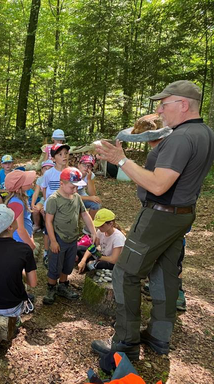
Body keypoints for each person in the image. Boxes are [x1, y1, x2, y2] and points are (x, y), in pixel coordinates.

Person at [92, 80, 214, 361]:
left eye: (164, 103)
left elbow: (159, 185)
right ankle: (159, 336)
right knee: (164, 273)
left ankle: (124, 343)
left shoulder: (182, 137)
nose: (159, 110)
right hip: (181, 215)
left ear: (183, 105)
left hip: (160, 215)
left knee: (125, 273)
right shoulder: (203, 132)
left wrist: (121, 160)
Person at [43, 167, 96, 305]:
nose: (75, 190)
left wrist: (93, 231)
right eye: (72, 187)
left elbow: (84, 214)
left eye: (77, 187)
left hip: (72, 238)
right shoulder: (54, 199)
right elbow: (48, 221)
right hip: (59, 238)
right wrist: (53, 241)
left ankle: (63, 285)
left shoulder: (77, 197)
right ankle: (51, 288)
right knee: (55, 265)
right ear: (62, 184)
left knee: (68, 264)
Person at [5, 170, 37, 250]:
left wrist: (30, 236)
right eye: (25, 180)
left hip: (24, 239)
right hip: (20, 242)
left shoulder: (21, 198)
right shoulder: (16, 203)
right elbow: (20, 229)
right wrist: (31, 244)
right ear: (18, 188)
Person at [30, 160, 55, 232]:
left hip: (53, 200)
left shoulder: (55, 179)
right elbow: (36, 192)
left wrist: (47, 204)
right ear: (42, 170)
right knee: (36, 209)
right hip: (43, 199)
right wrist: (32, 204)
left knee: (45, 211)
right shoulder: (40, 179)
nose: (47, 171)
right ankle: (37, 225)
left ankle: (48, 227)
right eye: (45, 168)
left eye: (49, 168)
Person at [77, 154, 102, 219]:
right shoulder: (73, 174)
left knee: (96, 203)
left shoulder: (91, 175)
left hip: (82, 195)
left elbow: (93, 194)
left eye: (89, 166)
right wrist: (89, 198)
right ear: (79, 165)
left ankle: (89, 226)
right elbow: (72, 196)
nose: (86, 168)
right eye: (84, 165)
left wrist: (89, 179)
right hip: (72, 197)